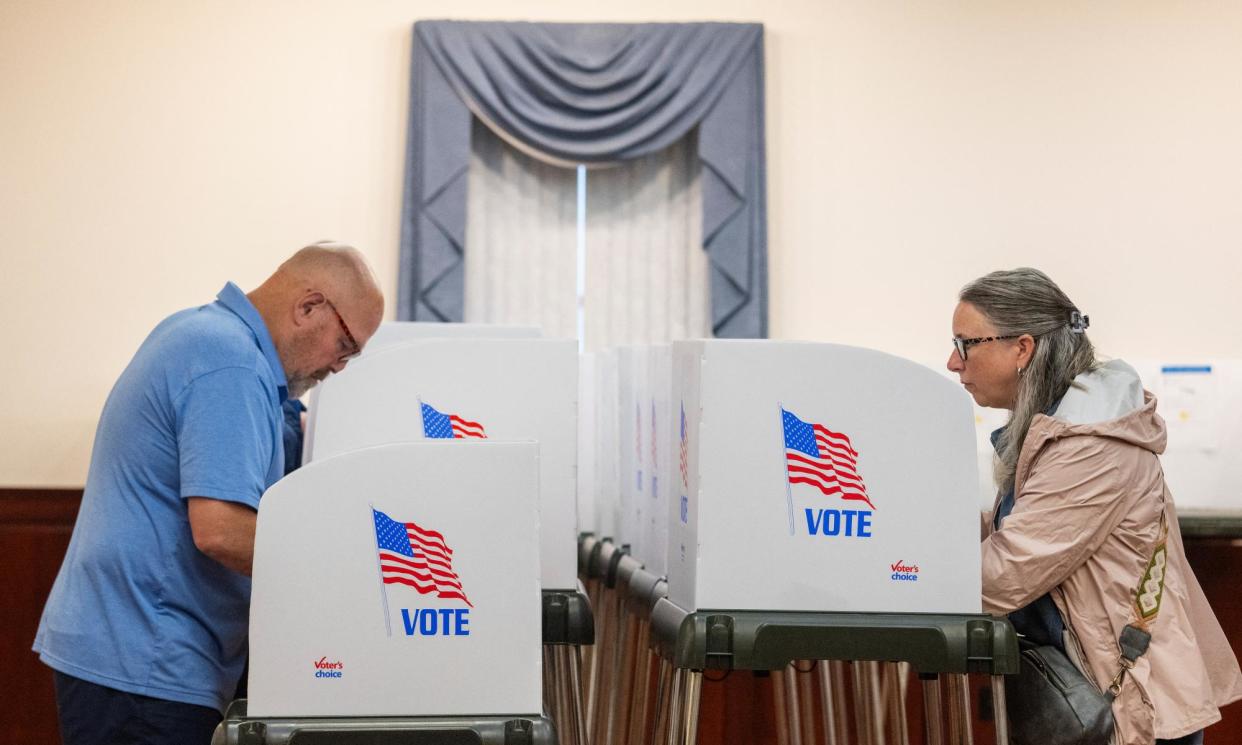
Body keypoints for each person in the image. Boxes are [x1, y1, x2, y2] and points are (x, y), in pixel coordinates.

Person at [33, 242, 385, 745]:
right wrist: (346, 573)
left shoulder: (204, 334)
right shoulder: (230, 364)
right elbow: (221, 531)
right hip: (147, 661)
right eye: (346, 346)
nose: (340, 366)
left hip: (131, 653)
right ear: (309, 308)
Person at [948, 268, 1242, 745]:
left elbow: (1008, 573)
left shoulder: (1090, 445)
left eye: (965, 344)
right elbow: (1026, 532)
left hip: (1131, 712)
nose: (952, 362)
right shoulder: (1060, 427)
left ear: (1021, 348)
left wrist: (904, 578)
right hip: (1103, 691)